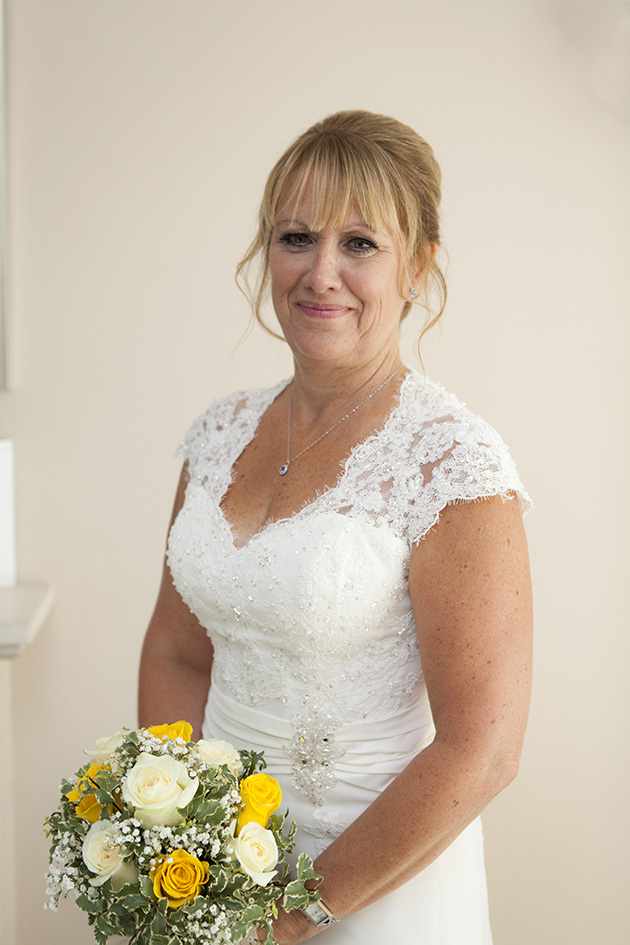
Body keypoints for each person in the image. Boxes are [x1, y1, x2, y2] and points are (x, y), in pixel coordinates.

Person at [138, 110, 533, 945]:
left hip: (376, 884)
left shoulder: (451, 461)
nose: (321, 273)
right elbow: (177, 649)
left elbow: (482, 749)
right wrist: (176, 836)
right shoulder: (218, 434)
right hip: (209, 872)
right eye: (296, 237)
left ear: (418, 267)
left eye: (360, 243)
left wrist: (291, 915)